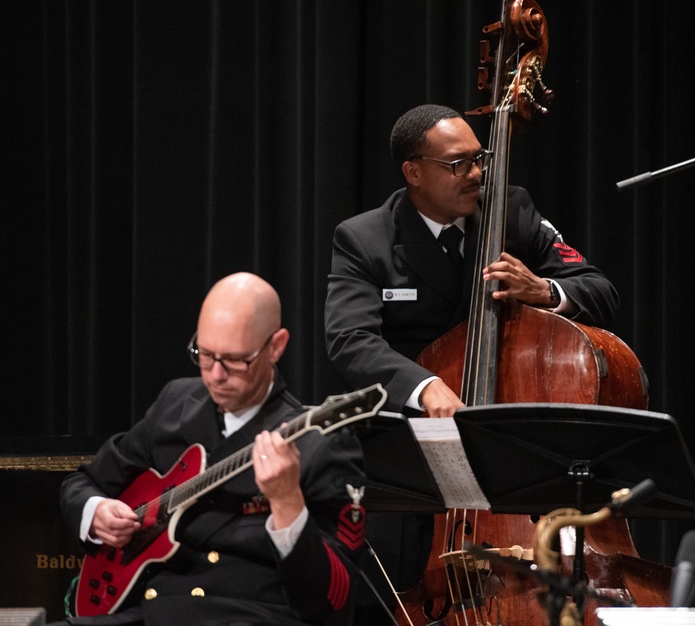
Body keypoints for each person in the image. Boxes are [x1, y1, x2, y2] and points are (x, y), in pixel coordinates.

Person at [324, 103, 619, 622]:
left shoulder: (512, 210)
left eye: (479, 158)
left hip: (510, 459)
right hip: (418, 468)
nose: (478, 173)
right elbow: (350, 341)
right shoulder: (364, 239)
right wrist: (425, 385)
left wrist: (544, 291)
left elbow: (599, 289)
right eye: (458, 164)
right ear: (413, 172)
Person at [58, 272, 366, 625]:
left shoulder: (322, 442)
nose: (215, 376)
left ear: (276, 346)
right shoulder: (176, 403)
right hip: (149, 612)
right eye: (204, 355)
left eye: (235, 360)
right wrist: (95, 512)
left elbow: (335, 601)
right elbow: (81, 483)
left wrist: (288, 504)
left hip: (249, 616)